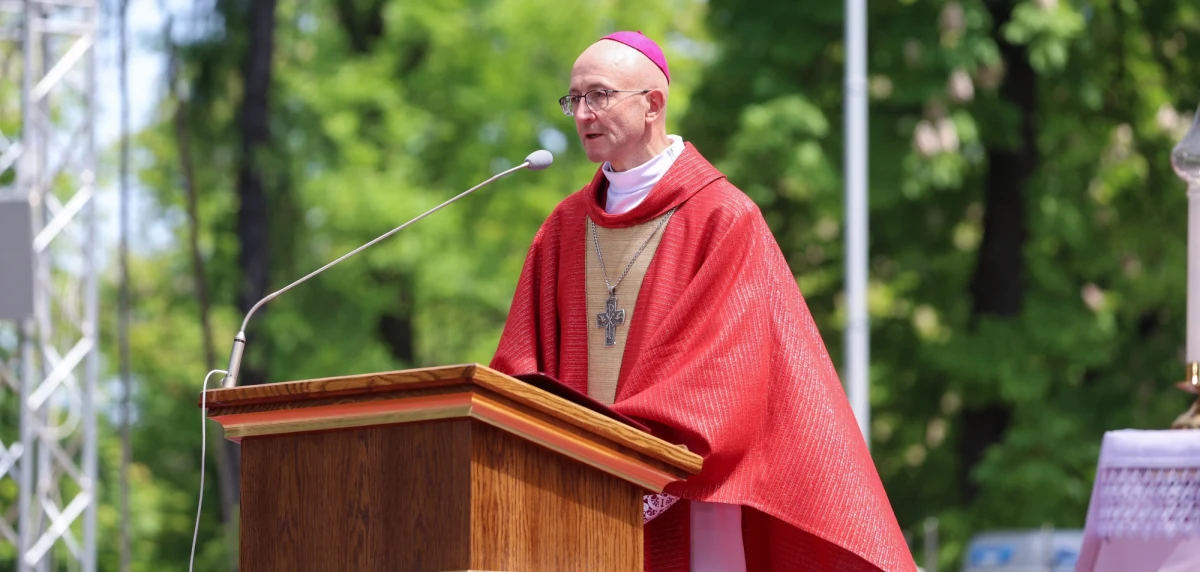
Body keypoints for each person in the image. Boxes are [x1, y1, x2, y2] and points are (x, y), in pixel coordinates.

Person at [490, 30, 914, 572]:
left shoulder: (721, 216)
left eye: (599, 95)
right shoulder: (564, 228)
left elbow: (724, 375)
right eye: (574, 99)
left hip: (688, 494)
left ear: (653, 105)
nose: (582, 114)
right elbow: (520, 367)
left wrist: (635, 460)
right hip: (578, 496)